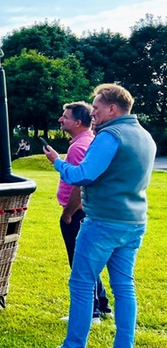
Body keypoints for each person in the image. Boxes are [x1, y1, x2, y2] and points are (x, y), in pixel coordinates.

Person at [35, 84, 156, 348]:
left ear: (112, 109)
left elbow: (84, 175)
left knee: (81, 284)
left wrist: (58, 163)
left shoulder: (110, 135)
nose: (94, 113)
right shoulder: (145, 136)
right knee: (124, 288)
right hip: (134, 222)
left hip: (102, 222)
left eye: (97, 107)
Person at [54, 102, 110, 324]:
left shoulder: (78, 147)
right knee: (89, 260)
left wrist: (68, 213)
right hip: (88, 211)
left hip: (77, 213)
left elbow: (79, 184)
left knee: (80, 264)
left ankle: (92, 312)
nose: (61, 120)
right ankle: (102, 306)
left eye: (65, 117)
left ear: (77, 122)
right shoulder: (88, 141)